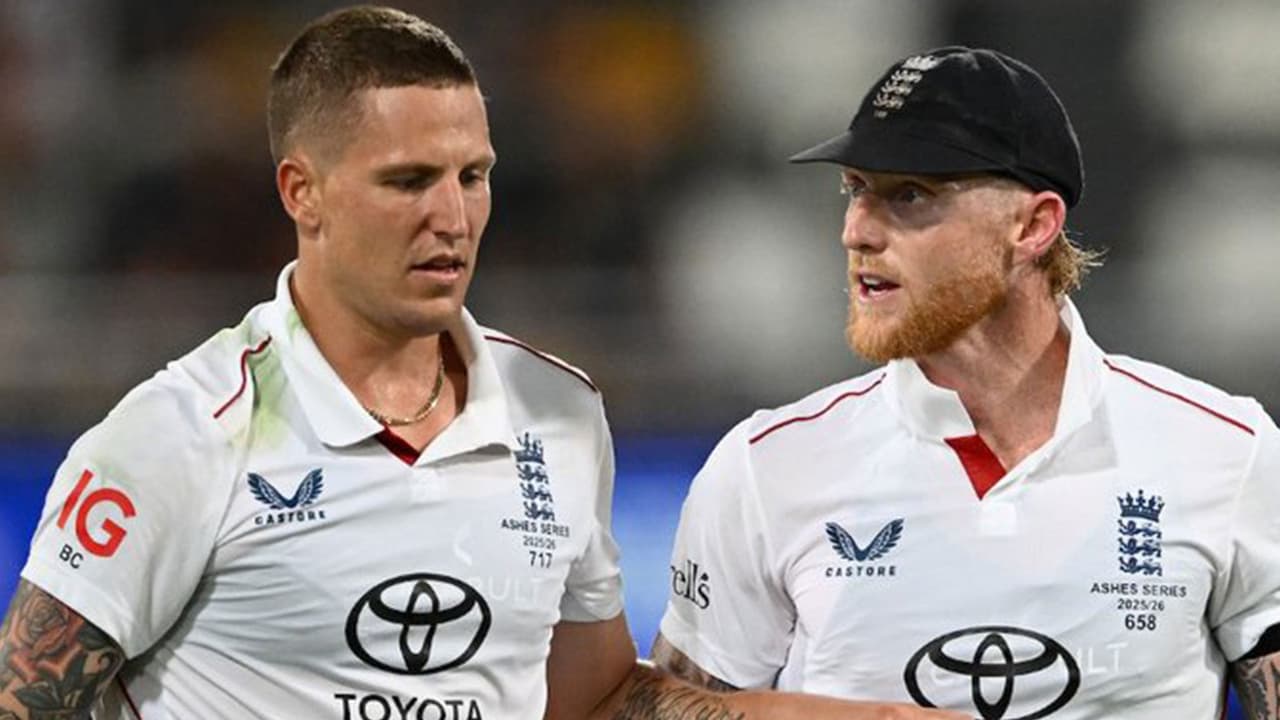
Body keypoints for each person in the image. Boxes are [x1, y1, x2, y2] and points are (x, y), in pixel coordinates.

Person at [0, 7, 964, 720]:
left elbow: (596, 704)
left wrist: (871, 719)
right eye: (408, 181)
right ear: (304, 192)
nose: (452, 218)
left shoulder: (558, 411)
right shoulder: (177, 436)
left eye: (474, 176)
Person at [653, 45, 1280, 719]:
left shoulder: (1227, 450)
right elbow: (657, 706)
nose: (856, 230)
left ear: (1034, 225)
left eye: (911, 195)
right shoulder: (765, 465)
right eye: (857, 189)